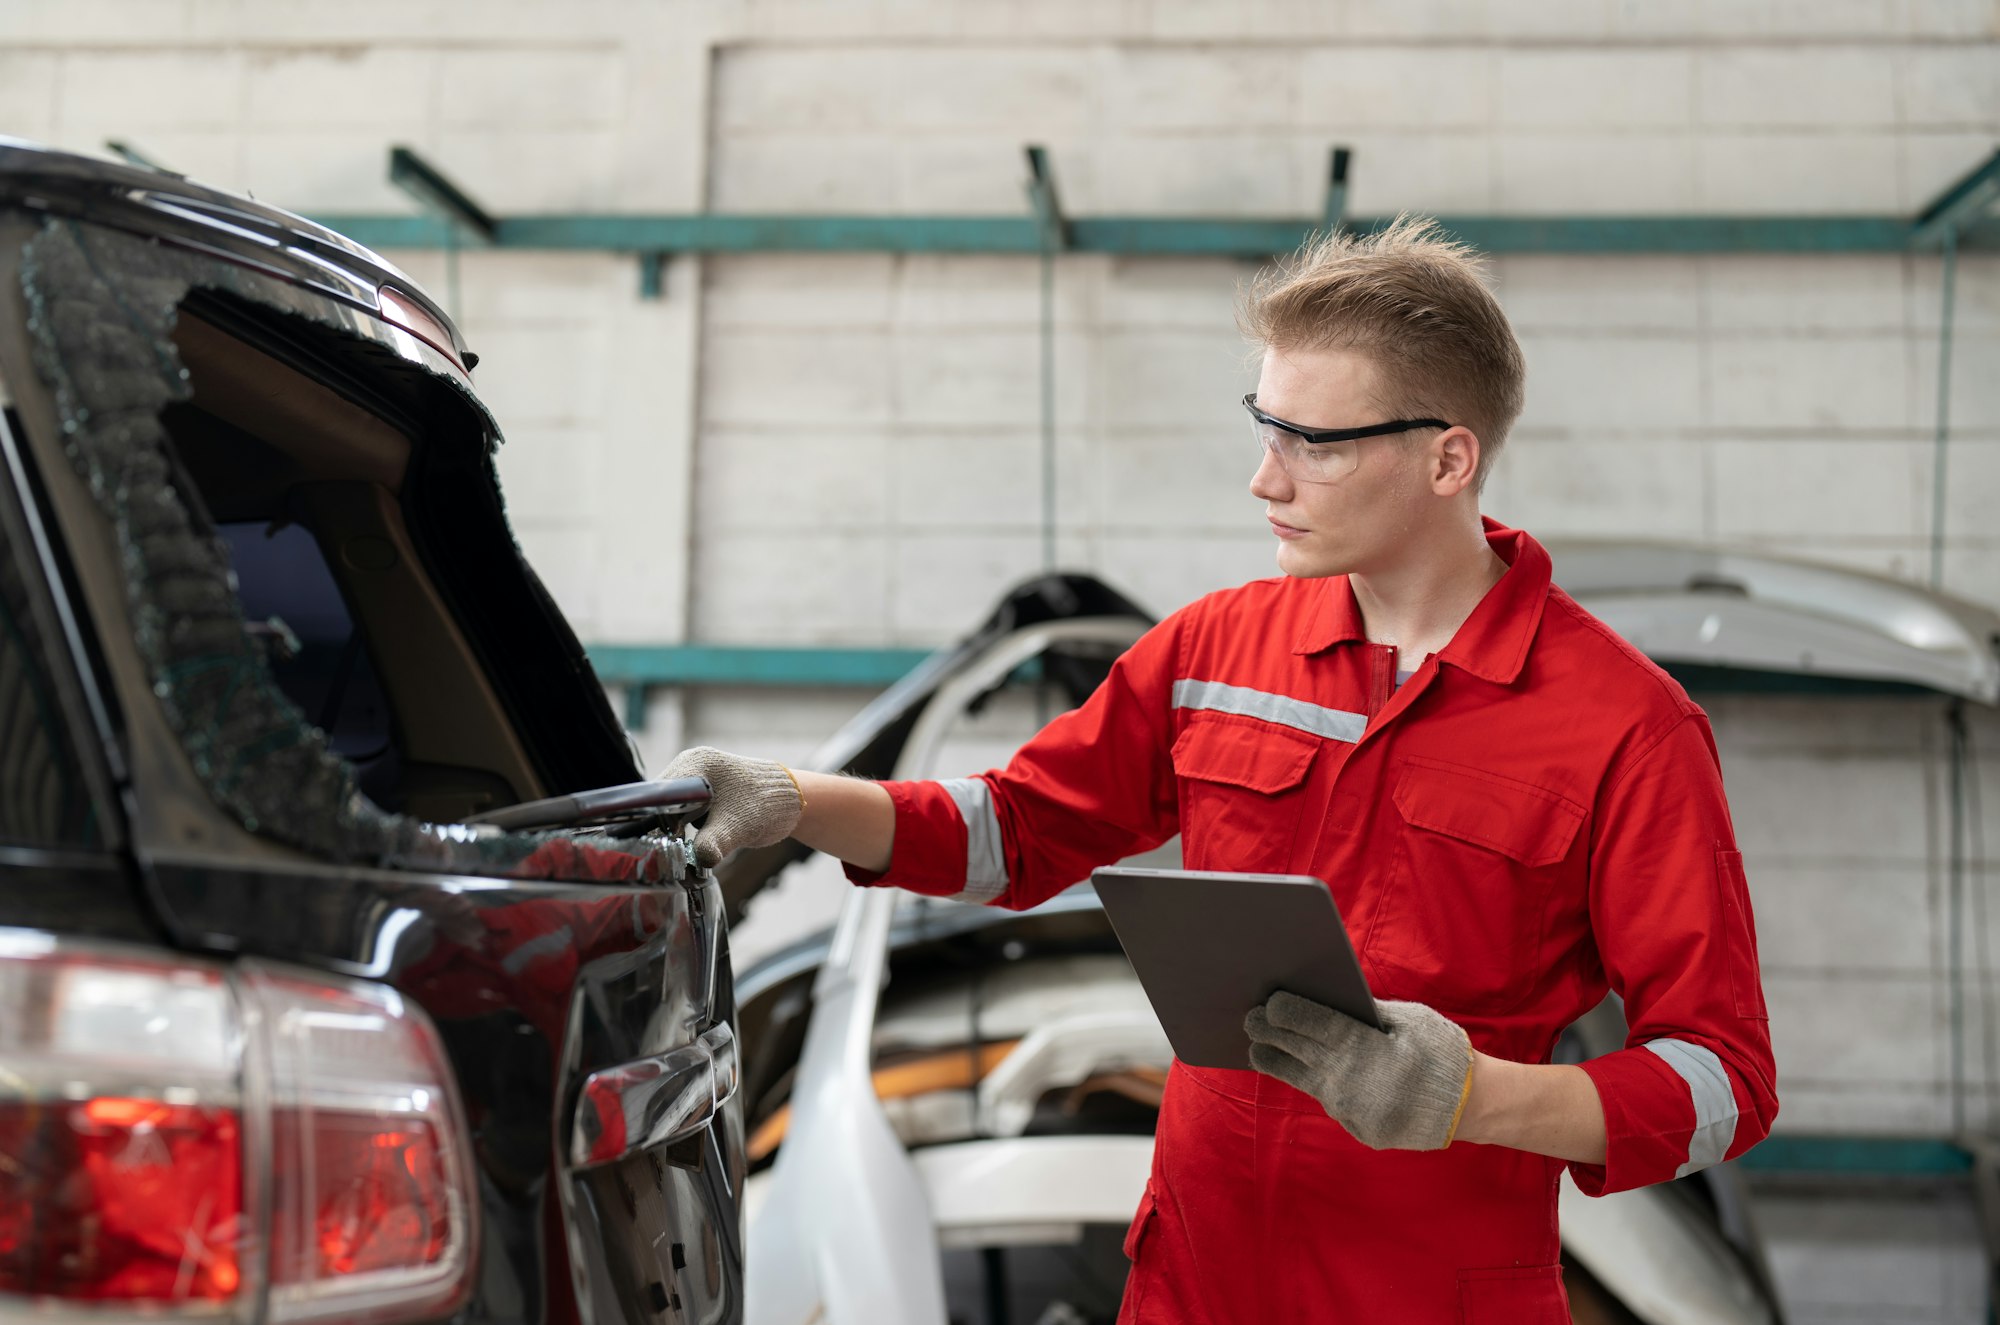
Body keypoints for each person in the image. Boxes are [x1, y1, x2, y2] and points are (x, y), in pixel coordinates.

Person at [662, 215, 1779, 1323]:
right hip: (1192, 1284)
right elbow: (1013, 827)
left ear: (1449, 457)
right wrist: (796, 802)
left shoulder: (1624, 728)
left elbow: (1724, 1079)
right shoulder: (1215, 652)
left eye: (1315, 442)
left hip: (1429, 1296)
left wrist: (1478, 1096)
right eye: (1263, 426)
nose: (1262, 479)